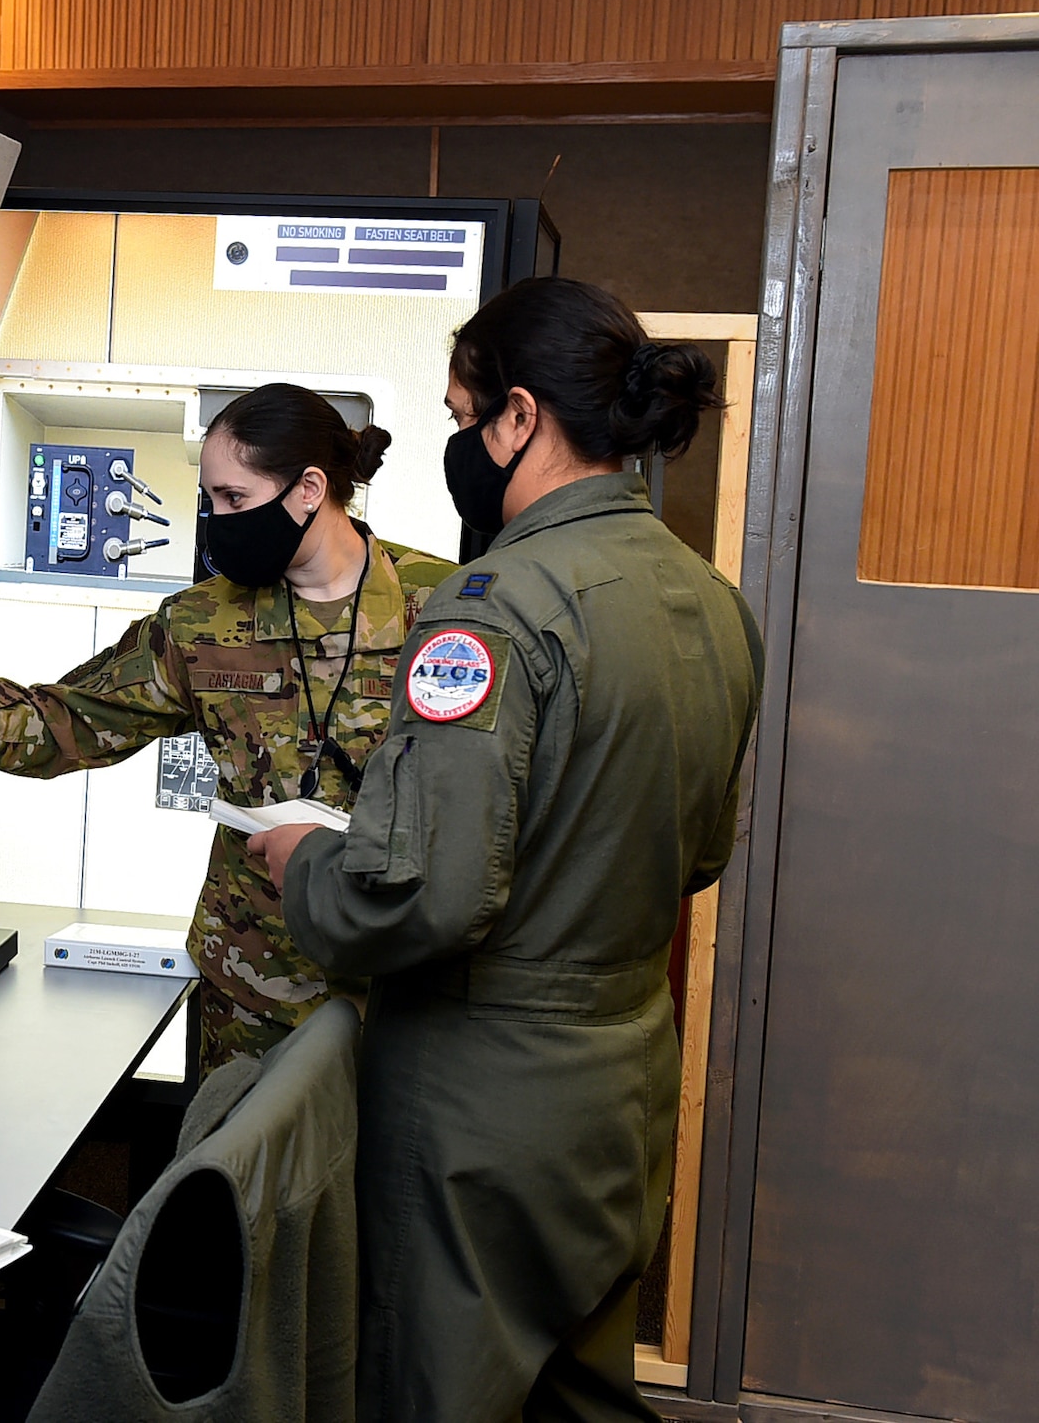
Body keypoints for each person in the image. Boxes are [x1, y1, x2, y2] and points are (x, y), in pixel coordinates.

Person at [247, 278, 763, 1422]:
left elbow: (415, 901)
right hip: (625, 1075)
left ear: (517, 416)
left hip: (480, 1093)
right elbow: (696, 855)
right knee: (578, 1392)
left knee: (436, 1390)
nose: (453, 444)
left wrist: (305, 869)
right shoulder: (706, 599)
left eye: (456, 415)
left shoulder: (492, 611)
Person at [0, 383, 458, 1069]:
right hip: (252, 994)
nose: (219, 520)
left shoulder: (446, 611)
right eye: (210, 498)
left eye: (235, 499)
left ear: (310, 488)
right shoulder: (199, 624)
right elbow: (69, 723)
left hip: (403, 995)